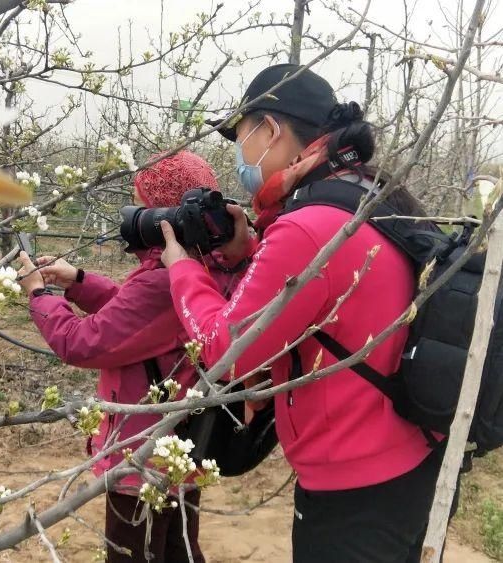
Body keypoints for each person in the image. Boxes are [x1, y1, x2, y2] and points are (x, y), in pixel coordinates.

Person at [160, 64, 449, 563]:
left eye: (241, 137)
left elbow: (224, 351)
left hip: (354, 488)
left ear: (270, 130)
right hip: (409, 459)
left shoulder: (307, 227)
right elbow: (328, 296)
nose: (241, 155)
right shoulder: (365, 193)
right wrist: (252, 250)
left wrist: (183, 270)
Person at [17, 151, 243, 563]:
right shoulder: (203, 266)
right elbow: (137, 320)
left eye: (141, 205)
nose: (133, 217)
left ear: (168, 216)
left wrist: (38, 295)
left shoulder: (164, 279)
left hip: (141, 457)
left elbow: (82, 342)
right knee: (179, 551)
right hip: (181, 448)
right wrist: (80, 282)